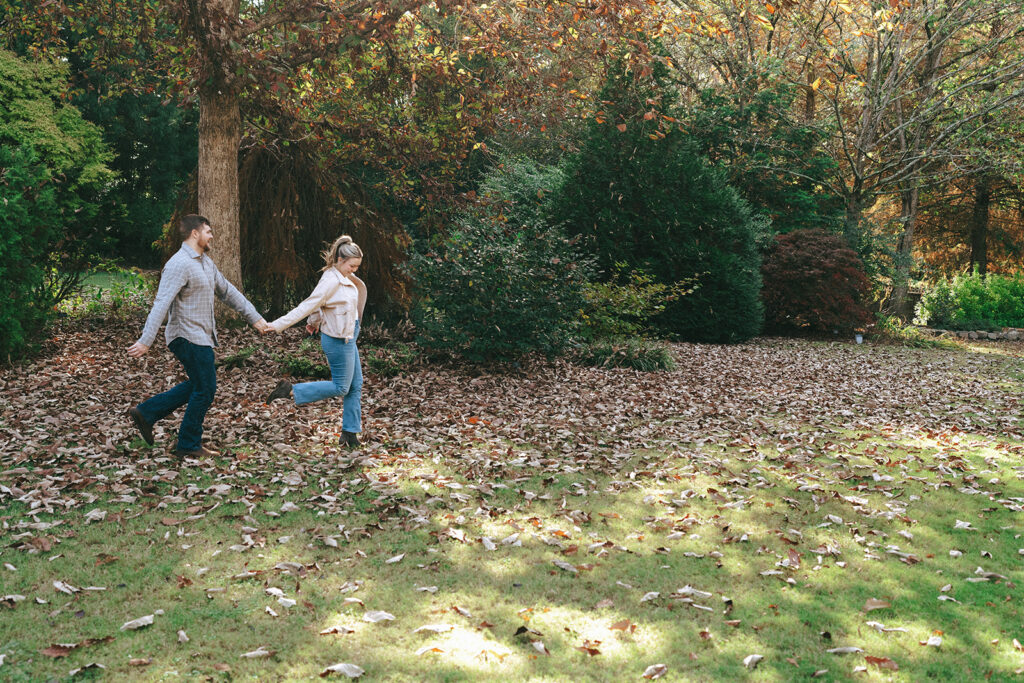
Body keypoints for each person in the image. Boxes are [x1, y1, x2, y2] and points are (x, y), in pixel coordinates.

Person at [126, 215, 271, 458]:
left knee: (199, 385)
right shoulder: (179, 264)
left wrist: (254, 318)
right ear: (195, 233)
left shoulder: (205, 262)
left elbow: (227, 291)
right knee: (206, 388)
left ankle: (146, 412)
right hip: (185, 335)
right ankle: (188, 444)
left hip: (200, 336)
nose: (212, 236)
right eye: (208, 231)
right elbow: (162, 303)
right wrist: (146, 339)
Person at [264, 235, 366, 447]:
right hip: (338, 341)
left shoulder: (343, 277)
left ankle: (349, 434)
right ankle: (291, 390)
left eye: (357, 266)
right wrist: (278, 325)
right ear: (340, 260)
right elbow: (309, 304)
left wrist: (315, 321)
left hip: (349, 336)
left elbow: (324, 307)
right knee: (341, 387)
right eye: (352, 265)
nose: (354, 270)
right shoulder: (330, 280)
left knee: (355, 385)